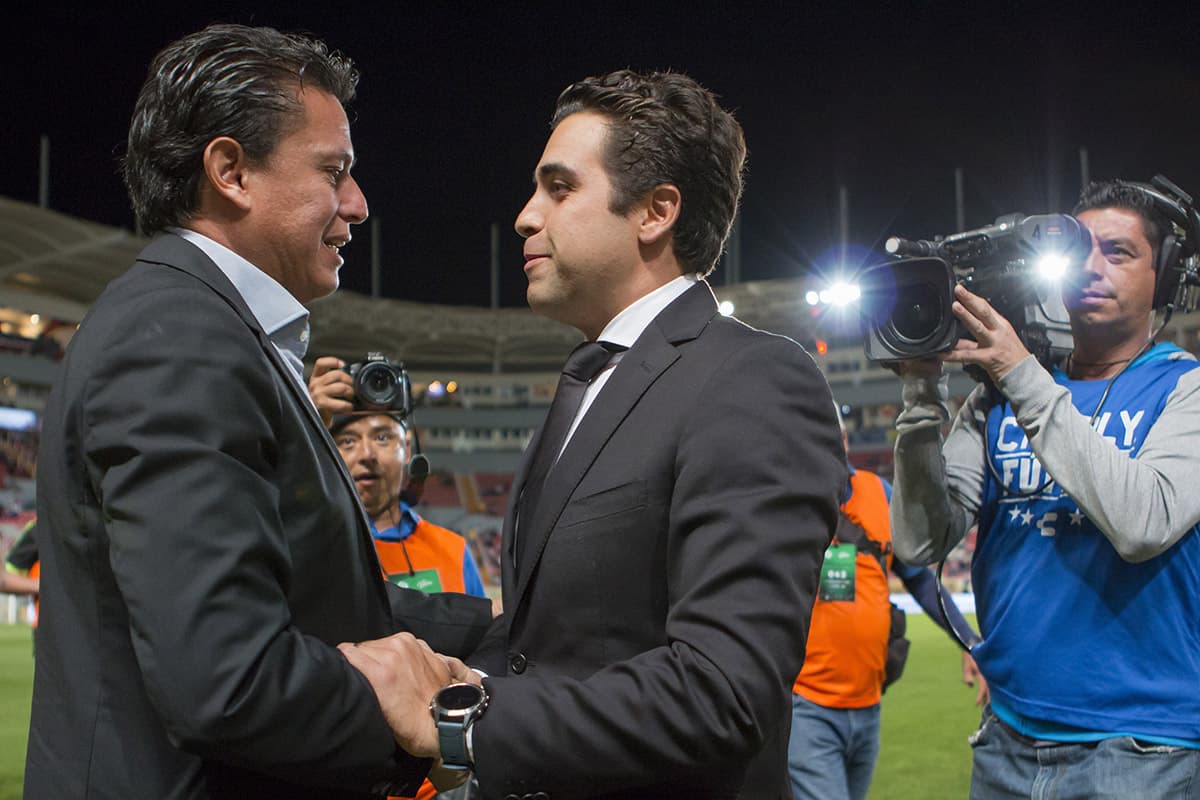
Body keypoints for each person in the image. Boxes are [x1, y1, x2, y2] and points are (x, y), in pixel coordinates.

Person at [342, 69, 846, 799]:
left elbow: (724, 690)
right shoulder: (592, 377)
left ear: (654, 211)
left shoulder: (751, 378)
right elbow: (549, 643)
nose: (525, 215)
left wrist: (466, 719)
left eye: (559, 188)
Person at [28, 24, 491, 800]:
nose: (358, 203)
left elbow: (302, 592)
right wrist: (439, 719)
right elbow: (227, 679)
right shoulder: (178, 337)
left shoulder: (205, 328)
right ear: (231, 171)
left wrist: (511, 634)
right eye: (334, 171)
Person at [889, 179, 1200, 799]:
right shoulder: (996, 397)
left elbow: (1144, 523)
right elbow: (920, 541)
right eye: (1079, 249)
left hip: (1143, 746)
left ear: (1164, 278)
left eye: (1118, 252)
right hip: (1006, 735)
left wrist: (1017, 373)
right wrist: (921, 394)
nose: (1092, 267)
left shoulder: (1185, 389)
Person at [788, 410, 984, 800]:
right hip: (807, 706)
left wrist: (969, 641)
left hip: (869, 705)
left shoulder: (880, 494)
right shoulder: (788, 506)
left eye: (835, 438)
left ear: (845, 444)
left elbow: (921, 582)